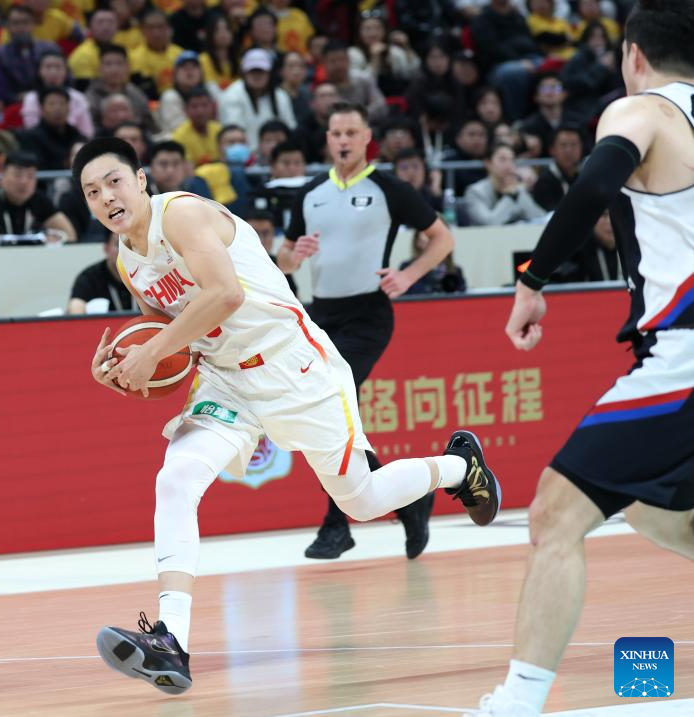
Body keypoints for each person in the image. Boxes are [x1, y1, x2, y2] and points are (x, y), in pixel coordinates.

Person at [76, 135, 500, 694]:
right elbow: (174, 344)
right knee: (176, 478)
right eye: (92, 192)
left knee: (361, 499)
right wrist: (124, 369)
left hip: (293, 366)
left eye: (114, 182)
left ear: (140, 180)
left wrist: (150, 353)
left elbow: (224, 295)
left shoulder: (180, 215)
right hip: (227, 381)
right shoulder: (129, 262)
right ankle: (171, 640)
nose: (106, 197)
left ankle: (459, 468)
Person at [472, 3, 694, 715]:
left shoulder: (644, 111)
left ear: (634, 55)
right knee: (659, 514)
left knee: (556, 514)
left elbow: (595, 184)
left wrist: (531, 280)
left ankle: (519, 701)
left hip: (684, 353)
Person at [279, 102, 459, 561]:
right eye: (336, 133)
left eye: (351, 133)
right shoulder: (311, 193)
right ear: (327, 139)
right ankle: (410, 501)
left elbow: (443, 238)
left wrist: (409, 275)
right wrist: (294, 256)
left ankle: (337, 526)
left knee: (331, 408)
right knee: (332, 417)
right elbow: (283, 259)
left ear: (365, 139)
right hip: (320, 317)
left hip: (368, 315)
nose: (343, 140)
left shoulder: (389, 188)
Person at [0, 150, 77, 244]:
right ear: (2, 174)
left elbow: (70, 235)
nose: (24, 181)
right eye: (17, 175)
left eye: (30, 176)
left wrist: (54, 239)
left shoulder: (39, 200)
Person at [219, 48, 296, 151]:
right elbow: (233, 133)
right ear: (244, 73)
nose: (257, 75)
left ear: (269, 73)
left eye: (261, 71)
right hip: (243, 154)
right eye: (253, 71)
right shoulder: (231, 95)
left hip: (277, 154)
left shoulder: (281, 96)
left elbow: (290, 128)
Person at [465, 142, 548, 225]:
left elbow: (540, 219)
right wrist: (510, 196)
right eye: (503, 160)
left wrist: (519, 192)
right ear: (488, 163)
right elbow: (489, 224)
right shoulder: (475, 192)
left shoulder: (517, 190)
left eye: (512, 160)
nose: (509, 165)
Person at [67, 232, 133, 314]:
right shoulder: (89, 277)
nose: (125, 251)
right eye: (118, 245)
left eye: (130, 246)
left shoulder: (143, 274)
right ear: (106, 249)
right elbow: (75, 309)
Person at [399, 225, 467, 295]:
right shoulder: (406, 268)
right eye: (428, 233)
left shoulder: (455, 271)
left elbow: (462, 296)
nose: (435, 238)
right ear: (417, 241)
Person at [531, 124, 584, 210]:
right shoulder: (544, 182)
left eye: (573, 144)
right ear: (552, 150)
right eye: (563, 145)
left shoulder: (586, 176)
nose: (569, 150)